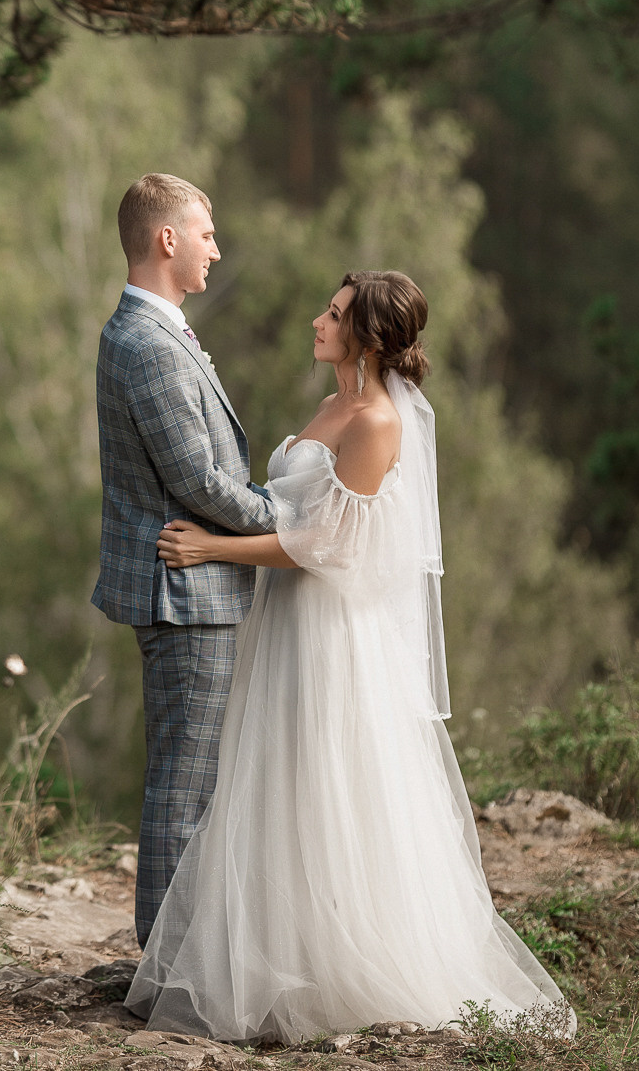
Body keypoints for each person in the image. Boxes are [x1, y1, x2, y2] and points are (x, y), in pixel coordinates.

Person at [123, 271, 573, 1043]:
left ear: (366, 337)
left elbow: (328, 545)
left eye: (332, 316)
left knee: (327, 782)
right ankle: (274, 957)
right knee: (276, 781)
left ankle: (335, 971)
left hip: (331, 631)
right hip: (287, 620)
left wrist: (211, 548)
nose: (315, 321)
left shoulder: (376, 422)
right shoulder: (335, 403)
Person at [92, 174, 281, 948]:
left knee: (188, 777)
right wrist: (285, 516)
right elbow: (198, 480)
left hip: (189, 587)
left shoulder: (153, 330)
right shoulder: (146, 341)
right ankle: (166, 968)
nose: (215, 247)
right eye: (205, 233)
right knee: (185, 785)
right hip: (185, 594)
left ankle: (173, 960)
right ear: (166, 239)